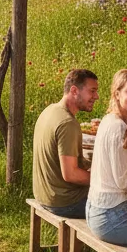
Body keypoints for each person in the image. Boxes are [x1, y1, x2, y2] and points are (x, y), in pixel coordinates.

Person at [86, 69, 127, 244]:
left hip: (101, 210)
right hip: (110, 217)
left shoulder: (113, 119)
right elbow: (123, 181)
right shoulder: (117, 127)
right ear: (117, 94)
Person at [32, 69, 98, 219]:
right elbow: (71, 174)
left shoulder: (49, 110)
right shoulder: (68, 123)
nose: (96, 96)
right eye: (92, 91)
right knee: (122, 204)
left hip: (43, 194)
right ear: (74, 90)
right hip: (65, 202)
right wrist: (103, 180)